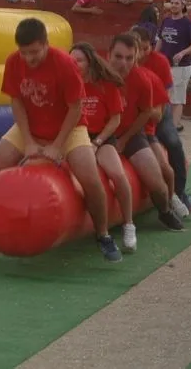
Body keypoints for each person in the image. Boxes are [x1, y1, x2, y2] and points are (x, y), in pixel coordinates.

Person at [0, 18, 122, 262]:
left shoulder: (65, 64)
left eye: (35, 52)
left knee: (90, 179)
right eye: (24, 52)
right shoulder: (14, 62)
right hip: (31, 126)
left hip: (70, 129)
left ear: (46, 44)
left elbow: (75, 108)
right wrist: (28, 141)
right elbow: (16, 101)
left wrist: (58, 145)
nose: (29, 58)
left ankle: (103, 234)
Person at [108, 32, 187, 230]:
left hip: (136, 133)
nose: (123, 63)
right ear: (108, 54)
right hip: (102, 135)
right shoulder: (98, 76)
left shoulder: (145, 78)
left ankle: (168, 205)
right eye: (118, 57)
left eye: (129, 58)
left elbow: (150, 114)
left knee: (169, 151)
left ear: (136, 57)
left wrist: (124, 140)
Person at [69, 42, 137, 252]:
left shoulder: (105, 85)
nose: (73, 64)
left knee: (117, 175)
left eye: (78, 60)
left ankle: (128, 224)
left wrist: (97, 142)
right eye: (70, 59)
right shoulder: (69, 83)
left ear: (89, 62)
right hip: (77, 135)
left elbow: (115, 120)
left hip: (102, 137)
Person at [132, 24, 191, 215]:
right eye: (137, 48)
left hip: (157, 109)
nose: (141, 53)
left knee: (173, 142)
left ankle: (180, 193)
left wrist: (151, 115)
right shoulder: (123, 60)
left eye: (145, 48)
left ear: (150, 45)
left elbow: (163, 97)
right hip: (133, 113)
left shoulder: (159, 62)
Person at [156, 0, 191, 130]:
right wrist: (154, 55)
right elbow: (160, 39)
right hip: (165, 63)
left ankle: (174, 126)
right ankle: (169, 123)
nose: (174, 5)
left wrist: (183, 52)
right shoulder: (166, 21)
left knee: (178, 96)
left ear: (183, 6)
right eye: (172, 3)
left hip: (181, 66)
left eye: (177, 3)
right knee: (165, 95)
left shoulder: (188, 24)